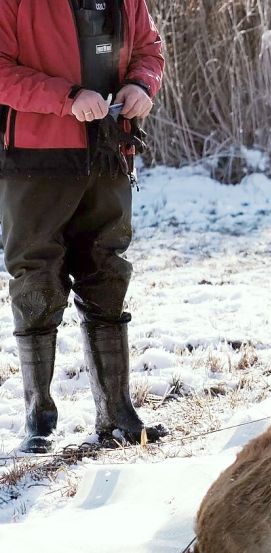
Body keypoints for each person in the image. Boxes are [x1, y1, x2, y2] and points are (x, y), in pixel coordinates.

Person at [0, 0, 167, 453]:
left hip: (110, 150)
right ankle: (39, 418)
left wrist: (141, 85)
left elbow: (149, 50)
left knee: (108, 273)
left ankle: (117, 414)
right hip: (36, 157)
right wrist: (68, 97)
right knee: (36, 279)